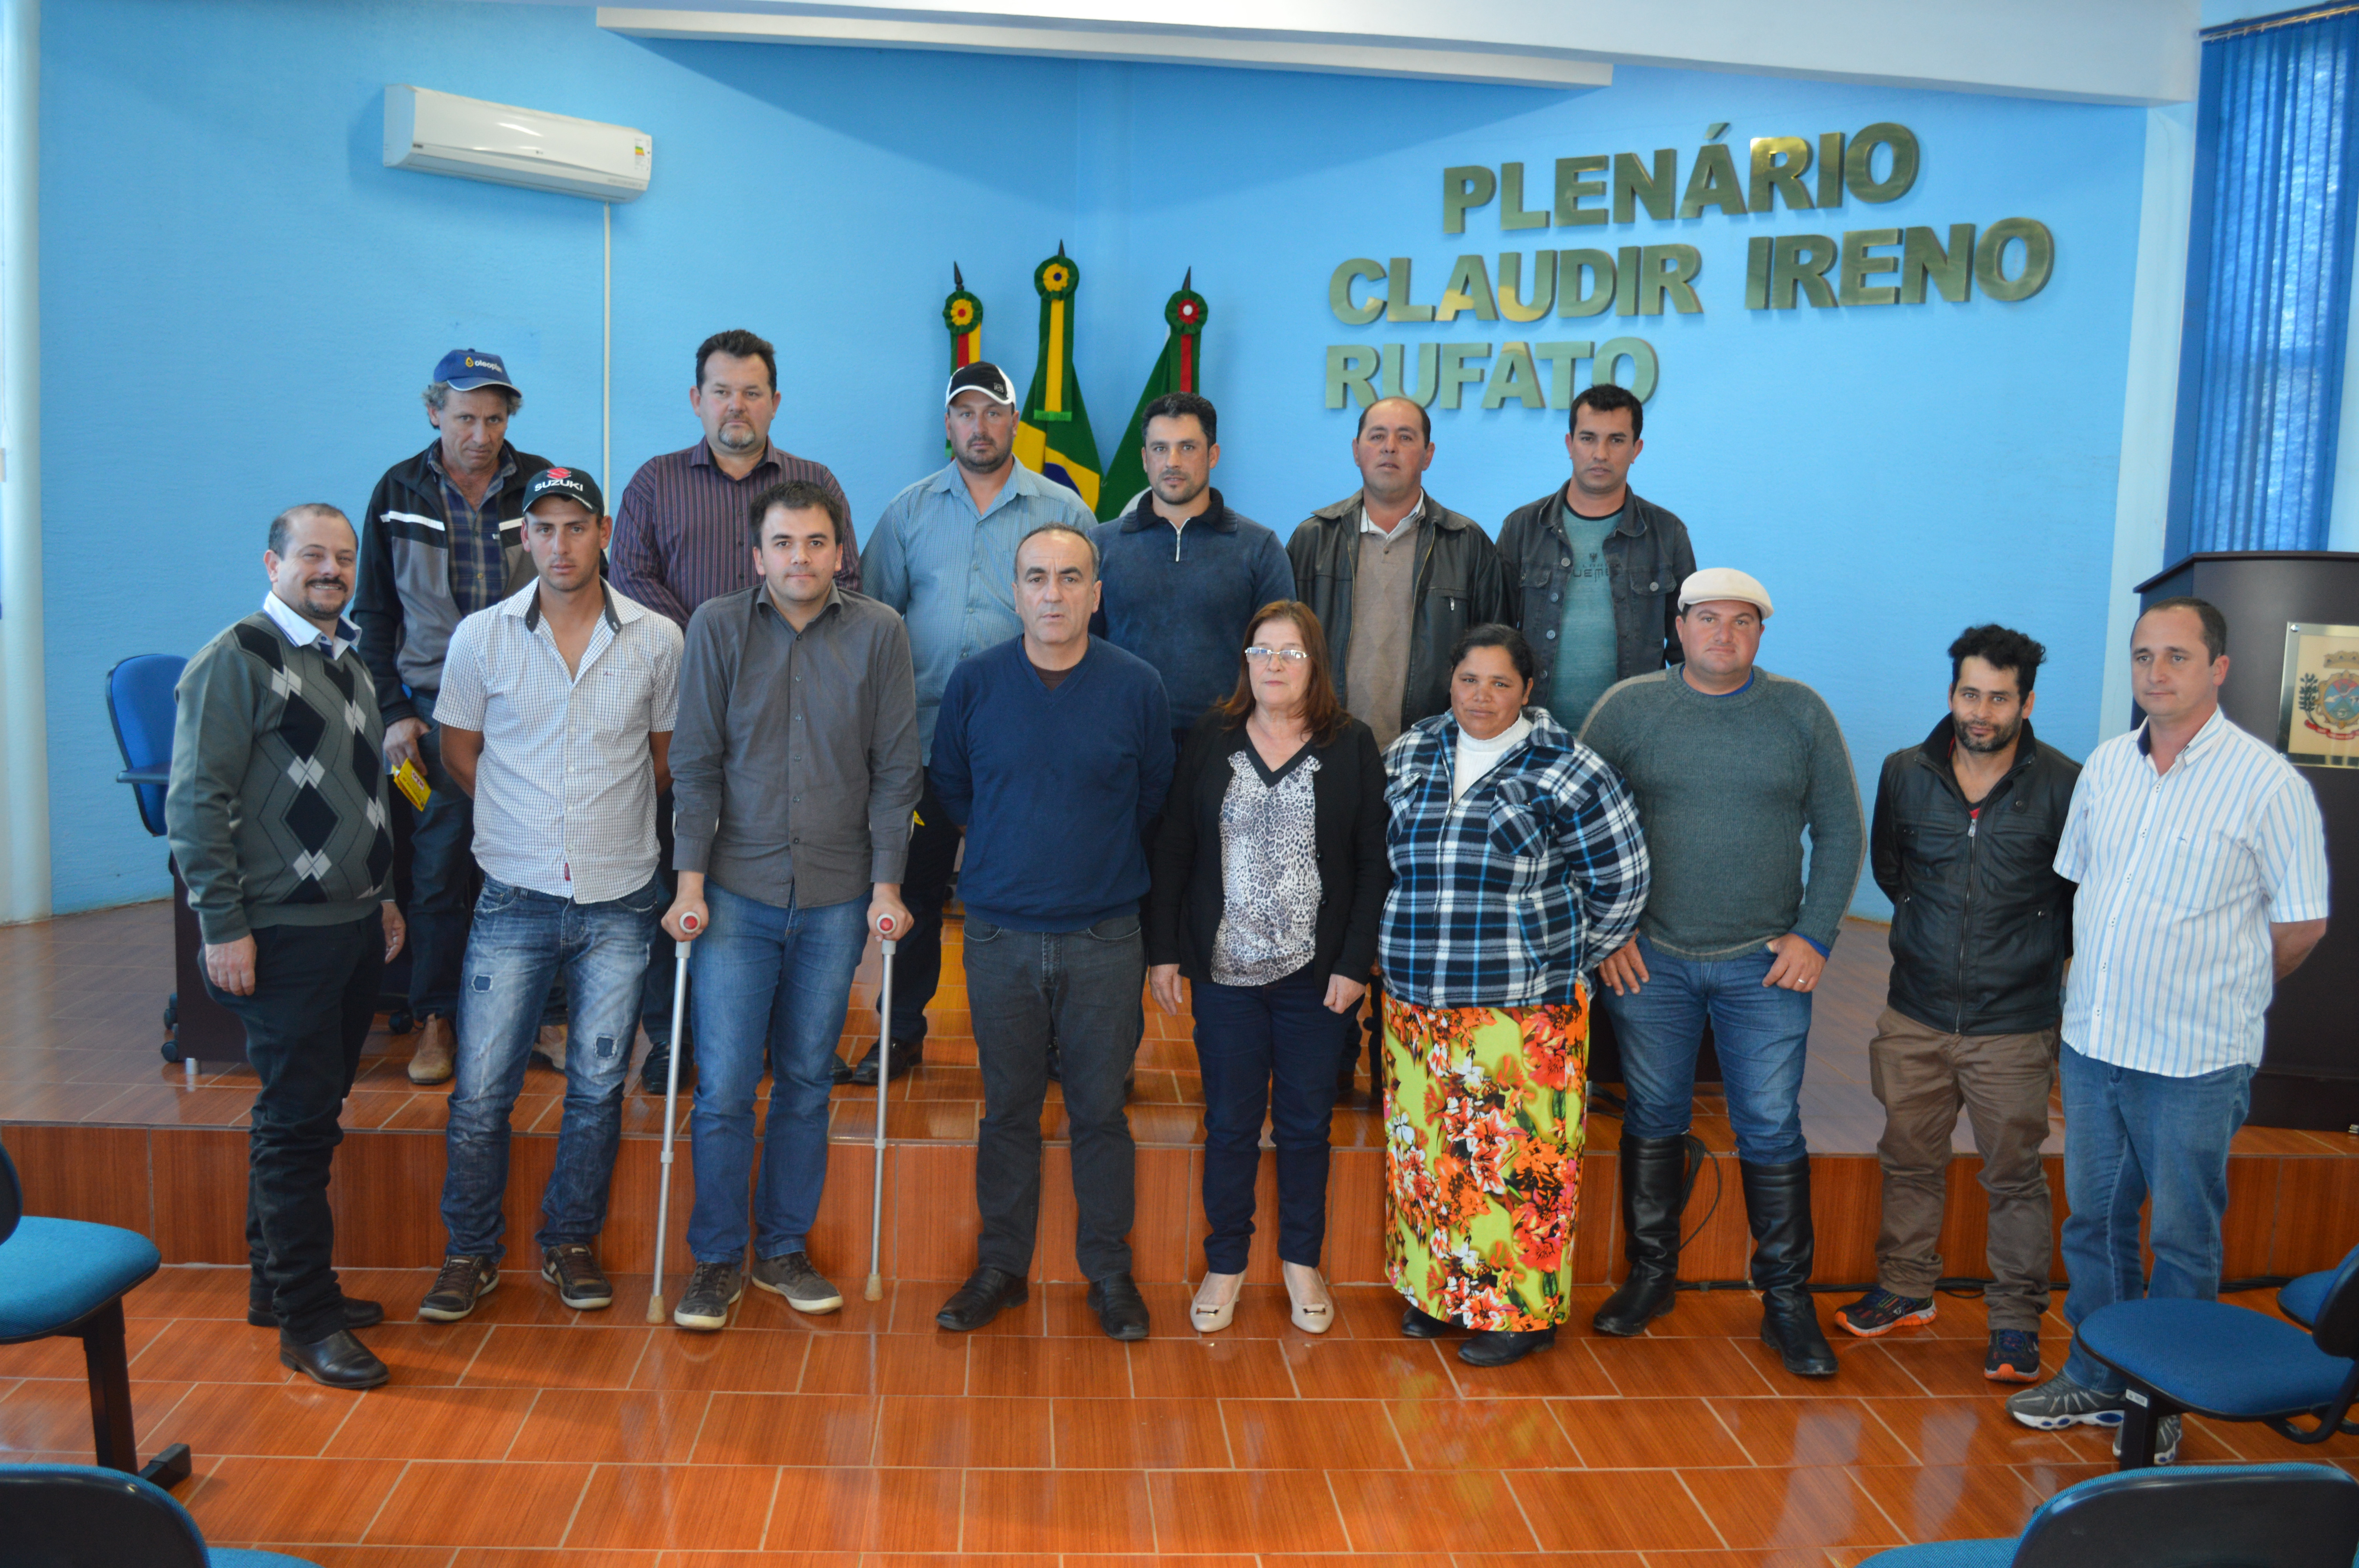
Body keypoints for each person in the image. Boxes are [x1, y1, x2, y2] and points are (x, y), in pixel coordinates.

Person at [2008, 596, 2328, 1464]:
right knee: (2093, 1223)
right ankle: (2098, 1373)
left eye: (2177, 656)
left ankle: (2165, 1396)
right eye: (2143, 655)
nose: (2156, 672)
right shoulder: (2106, 768)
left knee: (2181, 1235)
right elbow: (2082, 889)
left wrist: (2225, 988)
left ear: (2217, 668)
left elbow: (2301, 924)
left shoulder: (2268, 785)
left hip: (2193, 1059)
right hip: (2093, 1047)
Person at [1579, 568, 1863, 1379]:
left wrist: (1814, 936)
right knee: (1655, 1114)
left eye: (1743, 621)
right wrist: (1606, 933)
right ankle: (1651, 1276)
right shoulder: (1628, 708)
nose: (1724, 634)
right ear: (1679, 626)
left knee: (1770, 1125)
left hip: (1763, 966)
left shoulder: (1799, 712)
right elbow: (1575, 820)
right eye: (1708, 618)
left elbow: (1841, 830)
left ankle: (1785, 1302)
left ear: (1760, 633)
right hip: (1652, 960)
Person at [415, 468, 683, 1324]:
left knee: (598, 1088)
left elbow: (663, 760)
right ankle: (470, 1252)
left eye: (576, 526)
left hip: (620, 898)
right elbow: (460, 755)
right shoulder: (481, 638)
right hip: (514, 897)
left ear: (603, 531)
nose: (560, 544)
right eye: (544, 528)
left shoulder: (657, 639)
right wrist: (526, 822)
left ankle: (570, 1241)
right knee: (481, 1092)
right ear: (523, 538)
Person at [656, 479, 921, 1331]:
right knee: (727, 1083)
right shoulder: (717, 627)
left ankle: (780, 1249)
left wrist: (887, 886)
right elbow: (695, 763)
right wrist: (689, 882)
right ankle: (715, 1260)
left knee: (806, 1078)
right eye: (782, 543)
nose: (799, 558)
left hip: (839, 896)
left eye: (815, 542)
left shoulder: (880, 631)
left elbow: (896, 771)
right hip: (736, 892)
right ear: (757, 554)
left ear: (840, 552)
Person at [167, 504, 406, 1390]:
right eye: (312, 555)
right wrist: (222, 925)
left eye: (343, 556)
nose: (331, 569)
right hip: (280, 933)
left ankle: (276, 1288)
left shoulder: (348, 661)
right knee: (297, 1125)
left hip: (352, 926)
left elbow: (365, 791)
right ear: (273, 563)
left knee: (308, 1114)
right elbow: (196, 802)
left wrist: (383, 896)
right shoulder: (236, 658)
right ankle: (308, 1322)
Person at [1376, 625, 1648, 1367]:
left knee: (1518, 1168)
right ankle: (1441, 1297)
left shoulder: (1571, 768)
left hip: (1521, 1008)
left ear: (1528, 690)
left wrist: (1562, 958)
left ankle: (1521, 1318)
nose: (1482, 697)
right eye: (1469, 679)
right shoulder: (1410, 752)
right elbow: (1380, 858)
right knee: (1431, 1160)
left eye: (1501, 683)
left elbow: (1622, 881)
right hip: (1416, 998)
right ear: (1450, 682)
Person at [929, 523, 1172, 1340]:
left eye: (1071, 578)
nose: (1053, 593)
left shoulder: (1137, 686)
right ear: (1015, 592)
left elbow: (1151, 797)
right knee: (1008, 1111)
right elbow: (954, 789)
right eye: (1036, 577)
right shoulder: (974, 683)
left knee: (1100, 1112)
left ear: (1095, 594)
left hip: (1104, 936)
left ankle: (1109, 1271)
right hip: (998, 935)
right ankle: (1000, 1267)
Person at [610, 329, 857, 1096]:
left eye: (751, 392)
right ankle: (673, 1038)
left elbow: (846, 582)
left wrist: (767, 645)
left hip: (797, 720)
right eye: (721, 391)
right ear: (697, 399)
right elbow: (630, 578)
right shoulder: (654, 482)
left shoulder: (814, 482)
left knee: (786, 879)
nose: (736, 406)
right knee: (676, 875)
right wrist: (718, 643)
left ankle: (792, 1037)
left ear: (774, 401)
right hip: (678, 712)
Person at [1839, 625, 2079, 1386]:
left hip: (2013, 1024)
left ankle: (2014, 1320)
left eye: (1999, 698)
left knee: (2013, 1176)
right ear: (1951, 694)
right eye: (1970, 694)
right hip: (1914, 1011)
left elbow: (2075, 900)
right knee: (1909, 1159)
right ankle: (1906, 1288)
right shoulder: (1903, 773)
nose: (1981, 712)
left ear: (2026, 703)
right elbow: (1893, 873)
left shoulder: (2065, 785)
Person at [852, 361, 1099, 1085]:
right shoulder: (908, 512)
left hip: (1028, 746)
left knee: (1036, 893)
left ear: (1015, 421)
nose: (979, 426)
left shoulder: (1064, 510)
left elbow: (1090, 623)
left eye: (993, 412)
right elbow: (874, 621)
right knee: (915, 893)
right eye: (965, 412)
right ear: (948, 424)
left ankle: (1047, 1040)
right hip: (922, 742)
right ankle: (900, 1031)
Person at [1148, 601, 1389, 1336]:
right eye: (1261, 651)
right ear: (1245, 662)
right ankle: (1225, 1263)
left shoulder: (1352, 744)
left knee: (1306, 1126)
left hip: (1318, 980)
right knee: (1229, 1124)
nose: (1274, 665)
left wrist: (1354, 964)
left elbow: (1372, 864)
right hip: (1225, 975)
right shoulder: (1212, 737)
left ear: (1316, 664)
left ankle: (1301, 1262)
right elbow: (1175, 847)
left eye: (1291, 653)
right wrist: (1164, 950)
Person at [1289, 394, 1507, 1098]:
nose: (1390, 447)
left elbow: (1492, 656)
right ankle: (1328, 1058)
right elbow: (1289, 649)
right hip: (1329, 755)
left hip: (1430, 762)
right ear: (1356, 449)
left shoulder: (1468, 545)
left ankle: (1400, 1066)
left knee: (1413, 909)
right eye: (1377, 435)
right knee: (1328, 903)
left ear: (1428, 454)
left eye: (1406, 437)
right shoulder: (1314, 538)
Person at [355, 349, 551, 1086]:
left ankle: (545, 1015)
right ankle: (436, 1017)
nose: (481, 434)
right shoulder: (396, 490)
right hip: (435, 712)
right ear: (435, 412)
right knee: (438, 870)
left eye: (495, 419)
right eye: (466, 417)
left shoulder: (541, 484)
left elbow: (579, 588)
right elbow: (375, 615)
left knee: (541, 865)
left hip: (529, 707)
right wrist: (393, 712)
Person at [1093, 391, 1294, 756]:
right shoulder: (1099, 546)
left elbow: (1281, 659)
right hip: (1121, 743)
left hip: (1229, 746)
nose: (1172, 462)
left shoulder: (1259, 548)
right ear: (1144, 458)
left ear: (1213, 455)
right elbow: (1080, 650)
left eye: (1187, 448)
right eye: (1160, 449)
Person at [1496, 381, 1697, 726]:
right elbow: (1494, 639)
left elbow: (1686, 647)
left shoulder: (1667, 533)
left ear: (1636, 449)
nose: (1600, 454)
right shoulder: (1523, 528)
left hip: (1636, 731)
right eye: (1588, 438)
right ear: (1570, 445)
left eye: (1616, 440)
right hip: (1532, 731)